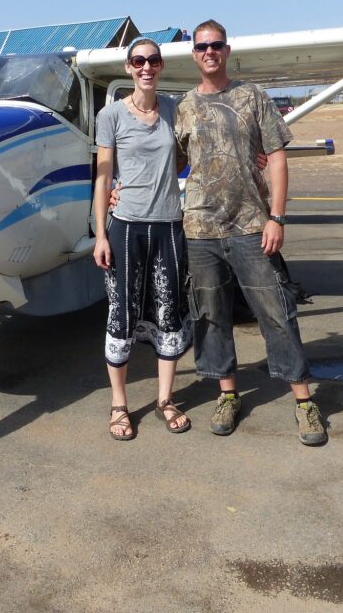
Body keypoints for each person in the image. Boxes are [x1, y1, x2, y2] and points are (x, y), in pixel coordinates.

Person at [176, 19, 327, 446]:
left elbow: (277, 158)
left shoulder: (252, 96)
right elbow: (169, 163)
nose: (209, 52)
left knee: (276, 310)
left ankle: (303, 401)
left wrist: (276, 217)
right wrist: (121, 190)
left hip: (249, 225)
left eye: (216, 45)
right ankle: (227, 393)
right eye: (202, 46)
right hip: (200, 228)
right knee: (210, 315)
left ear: (227, 50)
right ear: (194, 53)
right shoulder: (184, 105)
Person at [93, 38, 192, 441]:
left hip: (169, 225)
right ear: (129, 68)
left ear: (161, 66)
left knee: (168, 311)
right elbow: (102, 177)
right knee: (122, 314)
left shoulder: (174, 109)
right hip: (126, 226)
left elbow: (187, 155)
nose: (146, 67)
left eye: (153, 60)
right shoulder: (111, 115)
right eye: (139, 61)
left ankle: (165, 399)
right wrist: (100, 233)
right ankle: (119, 404)